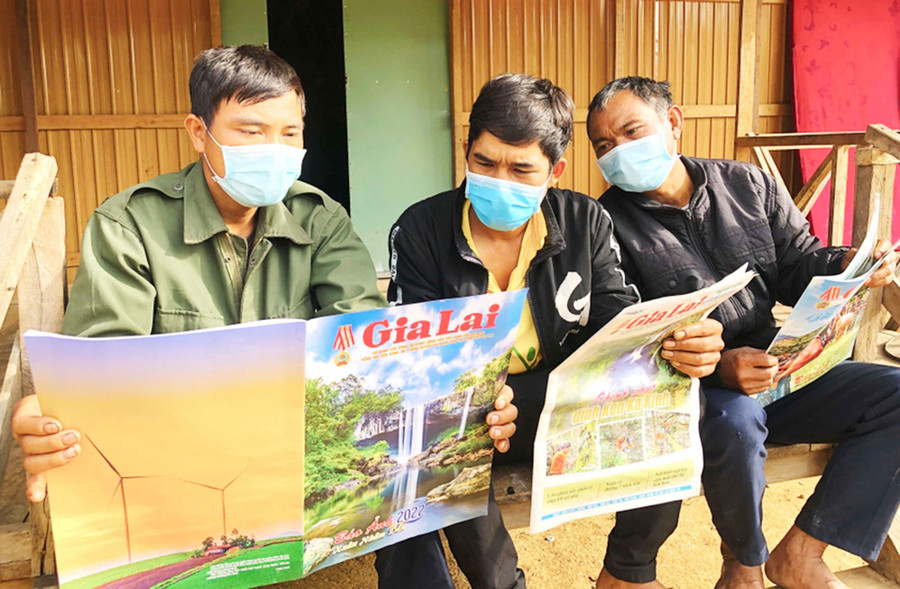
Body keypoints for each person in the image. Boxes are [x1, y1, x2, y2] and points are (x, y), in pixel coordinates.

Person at [11, 45, 517, 513]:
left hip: (292, 451)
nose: (275, 150)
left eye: (290, 134)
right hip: (176, 460)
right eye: (252, 133)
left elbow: (359, 345)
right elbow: (101, 375)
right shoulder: (130, 226)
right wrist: (58, 416)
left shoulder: (321, 220)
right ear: (198, 132)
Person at [374, 73, 725, 589]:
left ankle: (628, 570)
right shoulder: (421, 229)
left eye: (522, 169)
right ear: (466, 152)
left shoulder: (585, 221)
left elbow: (614, 320)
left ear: (554, 171)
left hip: (558, 397)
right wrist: (472, 397)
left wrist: (672, 342)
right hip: (469, 406)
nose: (501, 180)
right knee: (439, 434)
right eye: (485, 163)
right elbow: (415, 357)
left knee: (669, 388)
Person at [587, 75, 900, 589]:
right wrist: (717, 369)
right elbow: (626, 338)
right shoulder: (603, 225)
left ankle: (801, 554)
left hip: (778, 367)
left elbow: (799, 264)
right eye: (604, 145)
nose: (619, 151)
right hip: (697, 393)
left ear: (673, 123)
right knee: (737, 423)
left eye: (631, 132)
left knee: (895, 395)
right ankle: (743, 564)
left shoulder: (747, 184)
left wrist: (847, 265)